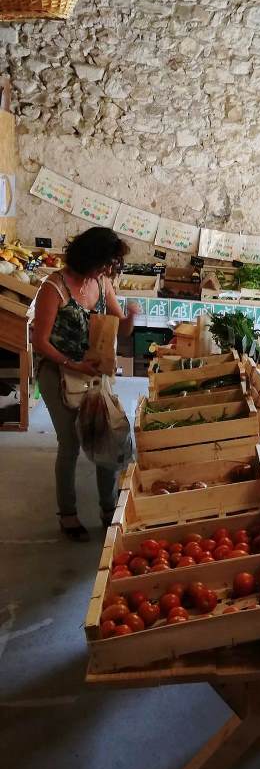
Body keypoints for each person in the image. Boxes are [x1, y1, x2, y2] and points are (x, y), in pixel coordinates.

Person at [32, 227, 140, 541]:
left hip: (94, 372)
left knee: (107, 435)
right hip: (59, 373)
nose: (107, 269)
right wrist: (72, 363)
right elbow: (40, 341)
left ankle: (108, 509)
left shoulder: (101, 283)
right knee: (70, 443)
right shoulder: (54, 288)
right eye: (104, 263)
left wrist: (131, 317)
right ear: (88, 257)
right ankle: (68, 514)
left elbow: (121, 329)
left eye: (110, 264)